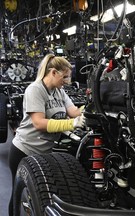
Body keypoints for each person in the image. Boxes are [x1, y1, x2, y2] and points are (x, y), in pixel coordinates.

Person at [8, 54, 85, 215]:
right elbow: (39, 123)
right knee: (20, 194)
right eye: (64, 77)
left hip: (44, 152)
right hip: (24, 149)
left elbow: (74, 112)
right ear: (53, 72)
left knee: (38, 194)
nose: (66, 81)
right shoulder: (35, 89)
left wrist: (90, 106)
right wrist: (71, 123)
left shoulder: (60, 92)